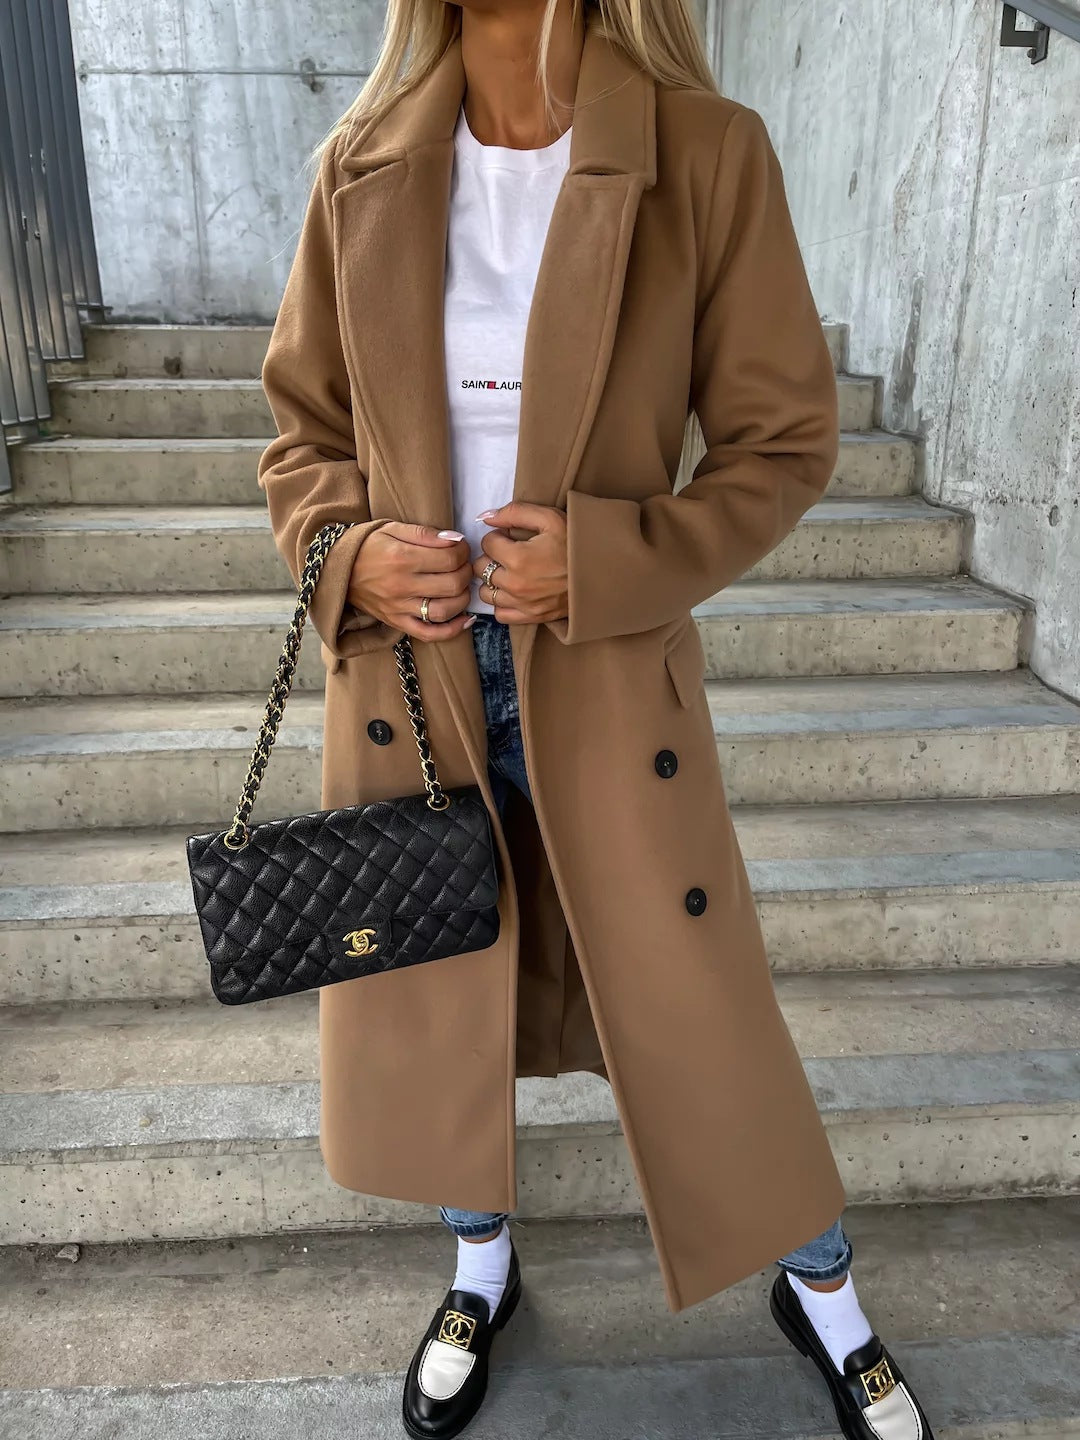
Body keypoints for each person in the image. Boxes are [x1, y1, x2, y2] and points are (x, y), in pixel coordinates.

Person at [256, 0, 936, 1436]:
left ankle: (823, 1291)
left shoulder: (706, 151)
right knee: (443, 995)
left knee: (705, 1016)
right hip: (415, 686)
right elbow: (301, 435)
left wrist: (612, 559)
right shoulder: (360, 160)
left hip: (609, 678)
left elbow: (782, 440)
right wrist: (350, 554)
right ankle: (479, 1271)